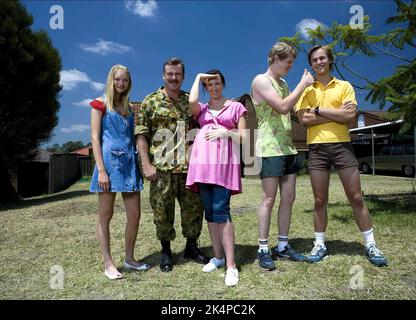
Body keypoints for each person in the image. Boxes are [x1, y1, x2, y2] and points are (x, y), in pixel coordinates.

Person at [296, 45, 388, 267]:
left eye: (322, 58)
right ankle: (319, 245)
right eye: (314, 60)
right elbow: (303, 120)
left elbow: (349, 116)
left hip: (342, 146)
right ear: (311, 64)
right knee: (319, 200)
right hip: (316, 148)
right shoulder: (307, 89)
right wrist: (334, 115)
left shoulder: (344, 86)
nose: (318, 62)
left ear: (330, 61)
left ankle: (370, 244)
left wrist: (318, 110)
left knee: (356, 197)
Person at [135, 58, 209, 272]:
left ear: (183, 76)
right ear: (163, 76)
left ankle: (191, 247)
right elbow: (141, 135)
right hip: (161, 170)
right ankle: (166, 251)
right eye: (170, 74)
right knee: (162, 212)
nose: (174, 78)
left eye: (177, 74)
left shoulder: (191, 102)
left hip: (189, 169)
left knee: (194, 210)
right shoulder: (151, 102)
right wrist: (146, 165)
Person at [250, 42, 315, 271]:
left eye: (292, 63)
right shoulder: (260, 81)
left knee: (289, 198)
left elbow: (293, 106)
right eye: (288, 62)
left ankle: (283, 246)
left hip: (288, 148)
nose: (290, 66)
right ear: (274, 58)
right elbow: (282, 107)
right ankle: (263, 248)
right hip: (269, 148)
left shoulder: (284, 83)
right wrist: (302, 85)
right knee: (269, 199)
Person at [186, 70, 247, 287]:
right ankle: (218, 257)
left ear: (223, 84)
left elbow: (244, 137)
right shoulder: (201, 109)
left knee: (222, 210)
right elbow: (191, 100)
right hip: (202, 166)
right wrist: (198, 76)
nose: (214, 87)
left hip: (223, 166)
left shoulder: (236, 107)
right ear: (205, 87)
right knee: (210, 212)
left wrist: (226, 133)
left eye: (217, 83)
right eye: (209, 84)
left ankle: (231, 266)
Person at [90, 64, 150, 280]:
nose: (121, 84)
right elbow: (95, 138)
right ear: (111, 80)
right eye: (117, 80)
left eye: (125, 80)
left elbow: (134, 136)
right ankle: (108, 263)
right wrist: (101, 170)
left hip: (129, 164)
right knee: (105, 216)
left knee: (135, 214)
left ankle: (130, 258)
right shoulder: (100, 104)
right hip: (108, 163)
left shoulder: (128, 108)